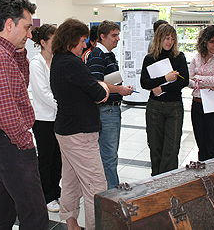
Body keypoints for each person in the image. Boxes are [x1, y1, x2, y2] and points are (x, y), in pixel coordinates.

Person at [0, 0, 48, 229]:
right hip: (10, 145)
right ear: (9, 24)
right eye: (26, 27)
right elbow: (5, 110)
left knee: (4, 210)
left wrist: (20, 51)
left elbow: (19, 85)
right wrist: (25, 142)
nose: (28, 34)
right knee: (35, 214)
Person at [50, 18, 109, 230]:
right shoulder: (72, 63)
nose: (85, 45)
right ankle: (95, 226)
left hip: (66, 130)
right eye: (83, 40)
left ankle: (71, 223)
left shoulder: (58, 60)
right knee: (96, 185)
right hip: (79, 133)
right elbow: (99, 93)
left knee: (71, 180)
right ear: (72, 39)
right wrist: (104, 86)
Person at [86, 20, 133, 190]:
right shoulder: (98, 55)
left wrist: (120, 89)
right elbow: (97, 84)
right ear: (102, 36)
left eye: (118, 35)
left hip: (111, 109)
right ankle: (112, 192)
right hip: (106, 110)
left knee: (109, 154)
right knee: (108, 155)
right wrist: (119, 90)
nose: (117, 39)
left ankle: (110, 188)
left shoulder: (108, 54)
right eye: (114, 35)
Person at [140, 24, 189, 176]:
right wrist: (165, 78)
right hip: (155, 108)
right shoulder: (150, 58)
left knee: (172, 148)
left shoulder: (179, 57)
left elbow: (184, 81)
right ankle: (156, 180)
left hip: (174, 107)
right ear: (159, 38)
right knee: (155, 147)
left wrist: (162, 88)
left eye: (173, 39)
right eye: (167, 38)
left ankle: (167, 182)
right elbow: (144, 83)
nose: (170, 42)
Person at [29, 24, 62, 212]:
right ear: (43, 42)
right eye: (53, 41)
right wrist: (64, 107)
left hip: (58, 118)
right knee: (46, 159)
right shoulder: (36, 63)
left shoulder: (57, 60)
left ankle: (55, 191)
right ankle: (47, 195)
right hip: (43, 120)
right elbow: (42, 93)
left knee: (58, 158)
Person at [188, 25, 214, 161]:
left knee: (213, 148)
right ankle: (204, 179)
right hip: (197, 105)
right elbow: (187, 80)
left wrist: (197, 79)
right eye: (211, 41)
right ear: (204, 41)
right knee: (202, 147)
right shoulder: (197, 56)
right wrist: (205, 82)